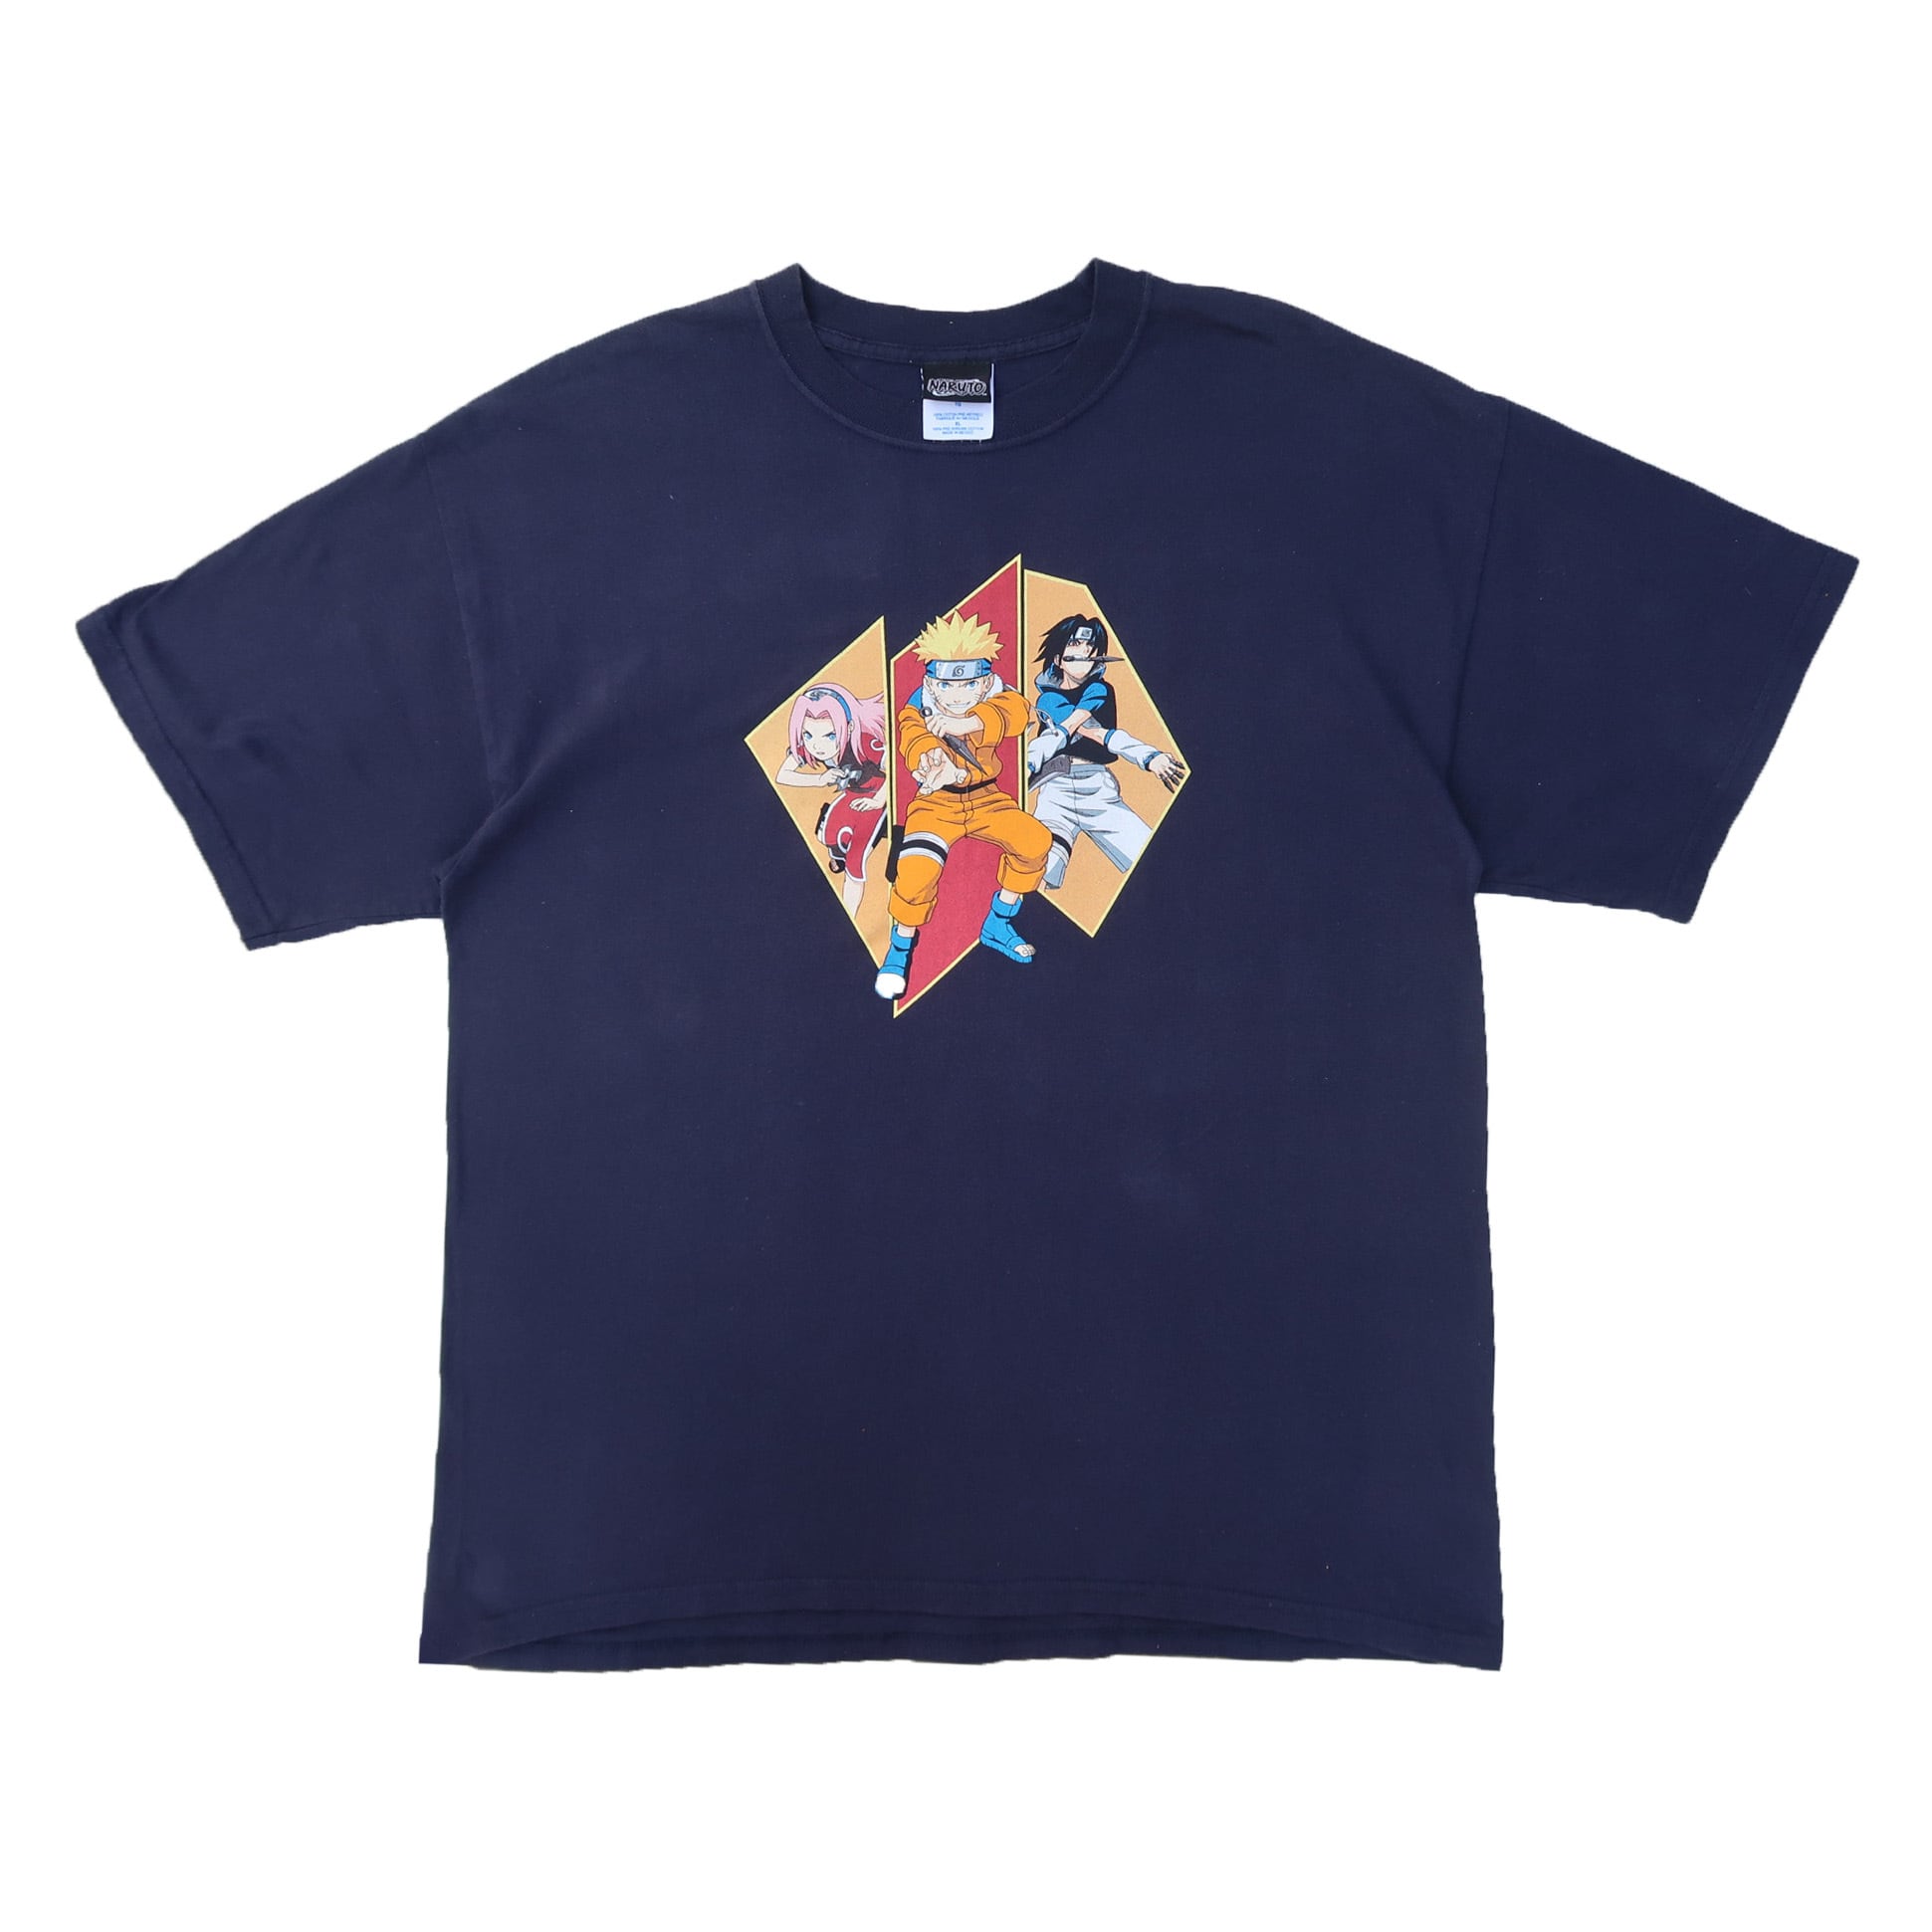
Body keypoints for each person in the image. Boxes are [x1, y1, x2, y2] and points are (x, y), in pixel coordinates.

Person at [876, 612, 1052, 999]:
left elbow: (1018, 711)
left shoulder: (998, 695)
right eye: (946, 685)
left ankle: (998, 922)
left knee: (1035, 842)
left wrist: (967, 724)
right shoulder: (916, 710)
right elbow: (912, 740)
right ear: (930, 684)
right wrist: (934, 763)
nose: (957, 695)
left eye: (969, 684)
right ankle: (898, 951)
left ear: (985, 682)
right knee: (916, 873)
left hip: (989, 799)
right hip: (935, 805)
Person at [1025, 614, 1184, 889]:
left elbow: (1095, 731)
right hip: (1056, 791)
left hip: (1098, 789)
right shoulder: (1048, 698)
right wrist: (1027, 766)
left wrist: (1149, 757)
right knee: (1038, 871)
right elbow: (1074, 730)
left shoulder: (1099, 690)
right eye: (1075, 644)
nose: (1085, 652)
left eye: (1091, 647)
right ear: (1058, 659)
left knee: (1150, 857)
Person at [771, 683, 888, 918]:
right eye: (808, 734)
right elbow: (782, 775)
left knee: (856, 862)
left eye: (830, 735)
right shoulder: (807, 748)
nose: (817, 745)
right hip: (852, 796)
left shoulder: (864, 742)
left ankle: (850, 919)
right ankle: (838, 855)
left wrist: (879, 800)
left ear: (849, 727)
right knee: (827, 835)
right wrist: (819, 779)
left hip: (878, 796)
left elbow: (896, 767)